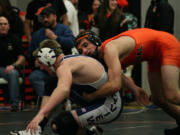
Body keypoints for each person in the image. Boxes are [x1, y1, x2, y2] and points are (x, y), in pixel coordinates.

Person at [74, 28, 180, 135]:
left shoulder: (109, 50)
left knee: (172, 95)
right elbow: (118, 74)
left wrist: (91, 96)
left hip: (166, 44)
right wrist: (134, 88)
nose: (84, 52)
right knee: (158, 99)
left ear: (95, 40)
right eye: (80, 51)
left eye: (85, 45)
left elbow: (115, 85)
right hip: (154, 55)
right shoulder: (104, 58)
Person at [10, 39, 125, 135]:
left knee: (62, 124)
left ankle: (89, 133)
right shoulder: (68, 61)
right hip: (95, 98)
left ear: (48, 56)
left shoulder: (65, 66)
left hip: (109, 105)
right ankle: (37, 129)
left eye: (41, 63)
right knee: (52, 82)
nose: (41, 68)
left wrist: (40, 114)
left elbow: (64, 90)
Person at [27, 6, 74, 98]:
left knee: (64, 77)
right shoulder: (37, 34)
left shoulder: (64, 29)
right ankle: (47, 99)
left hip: (62, 67)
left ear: (55, 16)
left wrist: (56, 38)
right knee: (34, 77)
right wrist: (35, 61)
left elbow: (71, 43)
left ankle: (59, 100)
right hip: (44, 69)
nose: (45, 19)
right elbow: (30, 54)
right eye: (43, 17)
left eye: (48, 16)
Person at [0, 16, 25, 112]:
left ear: (8, 26)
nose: (2, 26)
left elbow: (22, 58)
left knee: (13, 73)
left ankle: (14, 105)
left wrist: (13, 66)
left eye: (5, 24)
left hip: (9, 68)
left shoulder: (15, 39)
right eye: (0, 24)